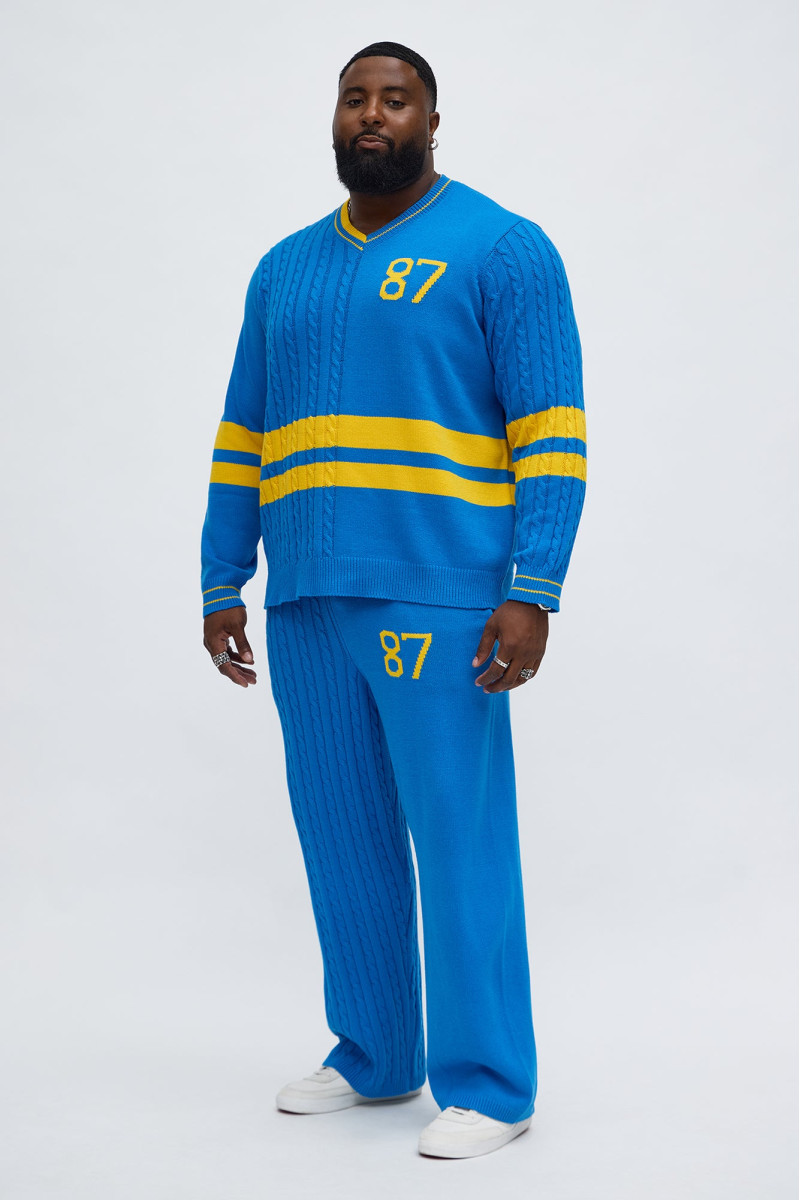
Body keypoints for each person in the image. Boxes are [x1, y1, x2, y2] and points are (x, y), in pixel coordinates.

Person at [200, 40, 587, 1160]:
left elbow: (551, 432)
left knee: (458, 840)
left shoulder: (502, 249)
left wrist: (532, 588)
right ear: (334, 120)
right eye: (354, 98)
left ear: (431, 120)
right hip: (306, 598)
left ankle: (492, 1084)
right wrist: (223, 575)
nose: (372, 114)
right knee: (344, 835)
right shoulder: (283, 269)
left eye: (395, 98)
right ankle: (375, 1054)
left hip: (441, 596)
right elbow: (242, 433)